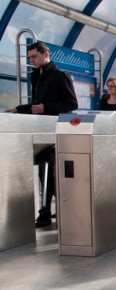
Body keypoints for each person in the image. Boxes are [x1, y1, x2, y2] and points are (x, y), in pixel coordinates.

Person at [5, 41, 78, 228]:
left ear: (46, 54)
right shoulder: (36, 76)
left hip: (53, 130)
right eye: (30, 57)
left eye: (34, 56)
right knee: (45, 173)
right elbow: (37, 103)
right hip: (40, 130)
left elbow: (71, 104)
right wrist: (19, 109)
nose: (32, 60)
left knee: (51, 172)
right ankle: (52, 209)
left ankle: (49, 211)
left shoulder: (60, 76)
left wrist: (47, 108)